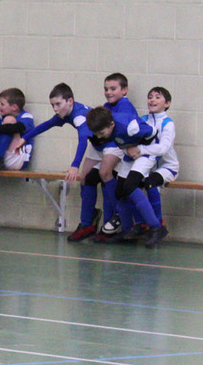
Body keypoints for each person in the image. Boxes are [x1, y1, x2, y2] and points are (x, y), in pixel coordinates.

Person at [84, 107, 168, 247]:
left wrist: (141, 149)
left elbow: (153, 134)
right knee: (120, 191)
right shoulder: (108, 127)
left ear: (112, 125)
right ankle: (128, 230)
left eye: (101, 133)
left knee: (130, 186)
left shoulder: (131, 127)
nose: (99, 137)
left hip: (147, 152)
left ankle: (156, 227)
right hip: (130, 152)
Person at [23, 84, 95, 241]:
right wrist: (24, 138)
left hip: (110, 145)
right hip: (98, 146)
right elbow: (46, 125)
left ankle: (108, 222)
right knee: (85, 179)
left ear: (70, 101)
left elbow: (83, 139)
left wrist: (75, 165)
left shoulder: (79, 116)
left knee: (107, 177)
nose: (55, 109)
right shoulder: (66, 113)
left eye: (58, 104)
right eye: (52, 105)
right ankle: (87, 222)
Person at [114, 85, 177, 246]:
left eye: (157, 97)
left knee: (149, 183)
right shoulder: (142, 120)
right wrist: (128, 149)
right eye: (150, 97)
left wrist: (140, 150)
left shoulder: (168, 124)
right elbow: (129, 139)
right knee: (124, 188)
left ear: (167, 103)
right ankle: (140, 225)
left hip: (166, 167)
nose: (152, 100)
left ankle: (158, 224)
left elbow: (163, 148)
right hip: (147, 165)